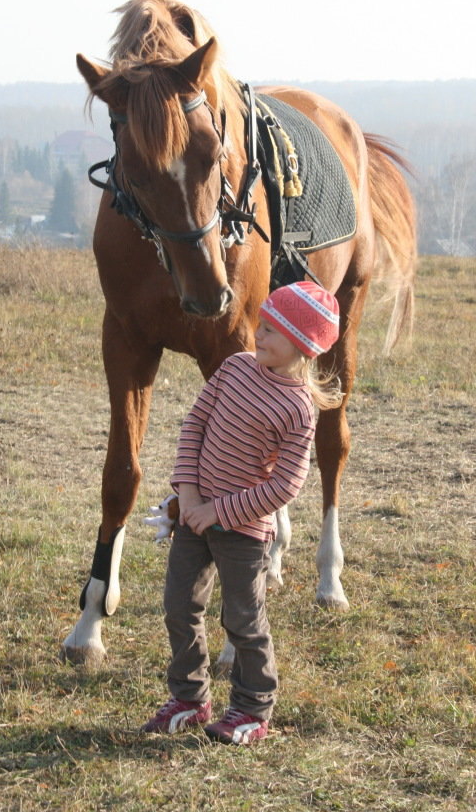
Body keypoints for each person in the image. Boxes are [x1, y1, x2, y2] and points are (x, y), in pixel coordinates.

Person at [142, 281, 342, 744]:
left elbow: (287, 484)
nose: (259, 334)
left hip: (243, 532)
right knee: (179, 605)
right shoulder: (234, 369)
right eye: (263, 323)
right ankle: (190, 698)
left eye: (273, 330)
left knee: (243, 621)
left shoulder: (298, 408)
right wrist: (188, 497)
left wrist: (219, 512)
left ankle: (253, 709)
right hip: (194, 518)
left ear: (303, 345)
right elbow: (195, 424)